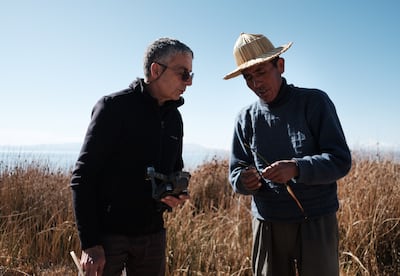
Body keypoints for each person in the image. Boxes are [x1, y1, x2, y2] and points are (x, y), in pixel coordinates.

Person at [224, 33, 352, 276]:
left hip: (315, 221)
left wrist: (296, 168)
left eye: (260, 72)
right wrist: (244, 180)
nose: (255, 84)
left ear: (280, 65)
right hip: (267, 222)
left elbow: (340, 161)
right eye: (248, 77)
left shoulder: (314, 102)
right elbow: (236, 173)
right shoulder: (245, 118)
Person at [70, 37, 194, 276]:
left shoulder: (174, 119)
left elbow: (174, 167)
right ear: (156, 70)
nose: (188, 83)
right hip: (108, 239)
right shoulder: (113, 107)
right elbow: (82, 178)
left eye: (191, 75)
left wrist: (173, 193)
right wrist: (90, 244)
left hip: (153, 236)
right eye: (183, 74)